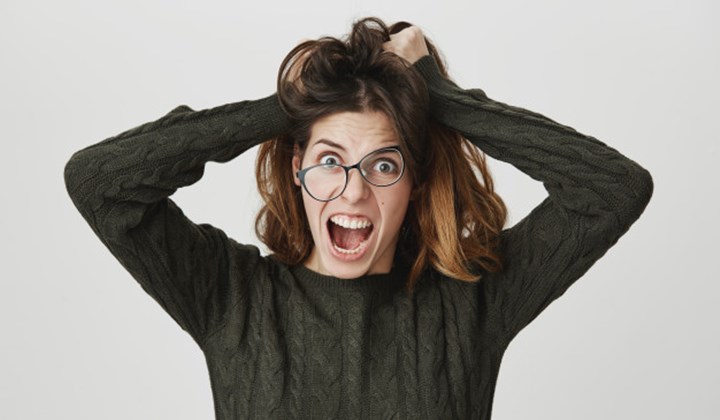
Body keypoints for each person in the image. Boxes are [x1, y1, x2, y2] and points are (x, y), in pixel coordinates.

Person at [63, 16, 653, 420]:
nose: (353, 191)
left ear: (414, 181)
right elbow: (100, 183)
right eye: (329, 161)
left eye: (383, 165)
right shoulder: (231, 297)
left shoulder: (473, 303)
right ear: (297, 168)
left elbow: (613, 189)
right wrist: (281, 108)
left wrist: (437, 94)